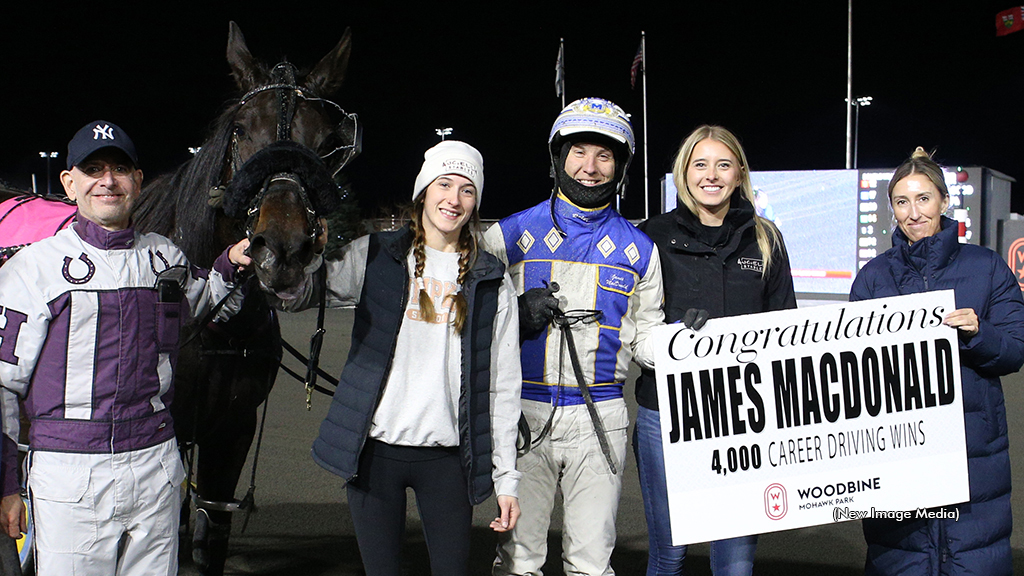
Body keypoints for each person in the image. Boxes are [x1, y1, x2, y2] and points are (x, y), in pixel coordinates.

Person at [238, 140, 522, 576]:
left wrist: (506, 480)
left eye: (467, 189)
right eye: (444, 184)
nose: (454, 199)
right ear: (423, 191)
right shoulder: (374, 254)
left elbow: (502, 386)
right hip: (375, 457)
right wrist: (293, 258)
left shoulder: (491, 279)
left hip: (448, 460)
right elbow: (297, 296)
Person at [0, 120, 248, 576]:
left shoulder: (165, 257)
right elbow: (2, 386)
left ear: (137, 179)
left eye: (120, 168)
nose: (108, 181)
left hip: (156, 464)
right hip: (69, 473)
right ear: (69, 183)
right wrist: (6, 485)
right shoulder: (31, 269)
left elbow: (204, 300)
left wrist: (232, 261)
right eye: (93, 169)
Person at [488, 97, 665, 576]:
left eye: (604, 155)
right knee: (519, 561)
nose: (590, 167)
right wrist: (510, 315)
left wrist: (685, 343)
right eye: (579, 152)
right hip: (524, 413)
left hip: (602, 418)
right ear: (558, 157)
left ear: (620, 166)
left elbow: (647, 336)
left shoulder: (641, 249)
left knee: (591, 564)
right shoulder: (508, 236)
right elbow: (466, 318)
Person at [849, 147, 1024, 576]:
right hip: (898, 458)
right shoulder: (873, 278)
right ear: (891, 208)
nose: (913, 213)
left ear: (944, 201)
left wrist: (978, 334)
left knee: (972, 559)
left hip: (973, 457)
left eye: (924, 198)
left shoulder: (986, 267)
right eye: (902, 201)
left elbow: (1016, 348)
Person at [634, 125, 796, 576]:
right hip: (666, 414)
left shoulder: (765, 238)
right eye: (699, 164)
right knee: (669, 557)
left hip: (745, 419)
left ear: (739, 172)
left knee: (736, 564)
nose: (711, 175)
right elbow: (632, 325)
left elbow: (786, 328)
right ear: (683, 173)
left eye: (723, 164)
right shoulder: (652, 236)